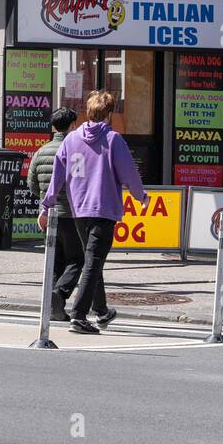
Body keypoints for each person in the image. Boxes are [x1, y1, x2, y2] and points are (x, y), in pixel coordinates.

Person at [39, 90, 148, 334]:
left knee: (91, 260)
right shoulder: (113, 139)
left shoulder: (70, 139)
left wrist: (46, 206)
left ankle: (101, 311)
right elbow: (129, 173)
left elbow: (56, 177)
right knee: (93, 261)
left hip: (79, 210)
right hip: (103, 209)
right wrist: (141, 197)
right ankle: (79, 315)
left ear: (87, 112)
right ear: (108, 114)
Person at [27, 106, 85, 322]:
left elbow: (32, 184)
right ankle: (58, 295)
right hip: (71, 214)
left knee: (54, 261)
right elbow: (81, 181)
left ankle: (53, 308)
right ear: (72, 126)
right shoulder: (76, 151)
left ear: (53, 126)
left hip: (48, 215)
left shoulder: (41, 151)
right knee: (77, 259)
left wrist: (44, 198)